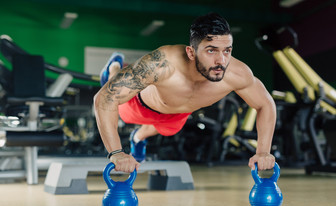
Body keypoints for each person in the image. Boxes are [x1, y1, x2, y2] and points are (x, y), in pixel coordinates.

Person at [94, 13, 276, 173]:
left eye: (227, 51)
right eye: (211, 50)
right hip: (139, 105)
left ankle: (138, 137)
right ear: (191, 52)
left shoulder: (237, 74)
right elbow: (105, 98)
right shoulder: (162, 64)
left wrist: (263, 151)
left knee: (168, 130)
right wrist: (117, 153)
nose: (221, 60)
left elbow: (265, 104)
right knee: (116, 94)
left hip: (177, 116)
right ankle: (114, 67)